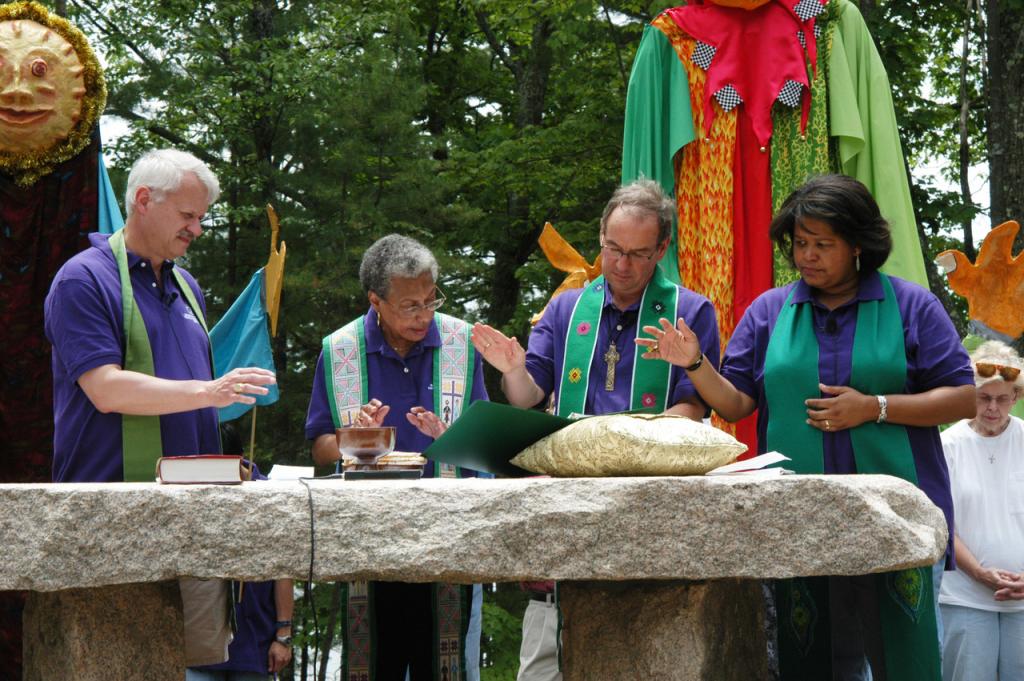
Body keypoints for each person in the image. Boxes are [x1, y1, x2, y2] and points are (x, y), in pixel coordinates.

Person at [641, 174, 976, 680]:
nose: (808, 256)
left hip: (895, 521)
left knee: (904, 662)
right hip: (799, 523)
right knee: (812, 662)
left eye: (824, 244)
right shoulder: (770, 311)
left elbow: (964, 395)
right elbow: (734, 405)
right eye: (800, 243)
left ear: (858, 245)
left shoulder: (911, 306)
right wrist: (694, 364)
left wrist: (876, 407)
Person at [471, 179, 721, 681]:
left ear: (662, 249)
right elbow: (530, 400)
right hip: (570, 498)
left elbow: (698, 407)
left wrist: (648, 434)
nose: (622, 266)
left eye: (638, 254)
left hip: (648, 497)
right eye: (612, 249)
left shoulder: (690, 311)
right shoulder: (565, 309)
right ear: (601, 237)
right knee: (548, 656)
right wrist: (513, 369)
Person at [44, 148, 277, 667]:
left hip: (191, 518)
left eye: (202, 218)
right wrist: (210, 391)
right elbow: (105, 389)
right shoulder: (83, 279)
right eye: (188, 216)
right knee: (114, 665)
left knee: (186, 665)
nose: (197, 229)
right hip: (113, 518)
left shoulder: (187, 285)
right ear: (144, 200)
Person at [305, 234, 488, 681]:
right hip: (367, 536)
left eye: (431, 300)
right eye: (410, 306)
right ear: (376, 301)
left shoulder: (462, 343)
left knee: (443, 668)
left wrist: (451, 436)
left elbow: (483, 446)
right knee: (372, 667)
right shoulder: (340, 349)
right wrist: (356, 440)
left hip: (446, 535)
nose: (425, 315)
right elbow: (320, 447)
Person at [938, 341, 1024, 681]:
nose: (992, 407)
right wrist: (979, 573)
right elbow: (943, 523)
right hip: (964, 597)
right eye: (983, 397)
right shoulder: (948, 446)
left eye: (1002, 399)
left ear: (1016, 397)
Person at [188, 426, 294, 681]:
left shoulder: (270, 497)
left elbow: (283, 571)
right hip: (198, 640)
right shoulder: (187, 490)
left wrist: (283, 635)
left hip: (254, 642)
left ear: (239, 458)